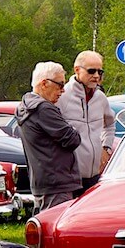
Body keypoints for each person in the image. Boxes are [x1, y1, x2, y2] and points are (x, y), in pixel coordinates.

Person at [16, 61, 82, 213]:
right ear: (44, 83)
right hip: (57, 183)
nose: (63, 91)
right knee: (57, 230)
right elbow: (73, 139)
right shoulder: (44, 109)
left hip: (43, 182)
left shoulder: (25, 106)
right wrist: (71, 128)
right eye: (60, 85)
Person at [58, 50, 116, 192]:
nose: (96, 76)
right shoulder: (63, 96)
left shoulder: (100, 98)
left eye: (100, 72)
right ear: (77, 70)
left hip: (95, 176)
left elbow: (109, 124)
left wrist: (106, 148)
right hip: (69, 177)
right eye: (91, 71)